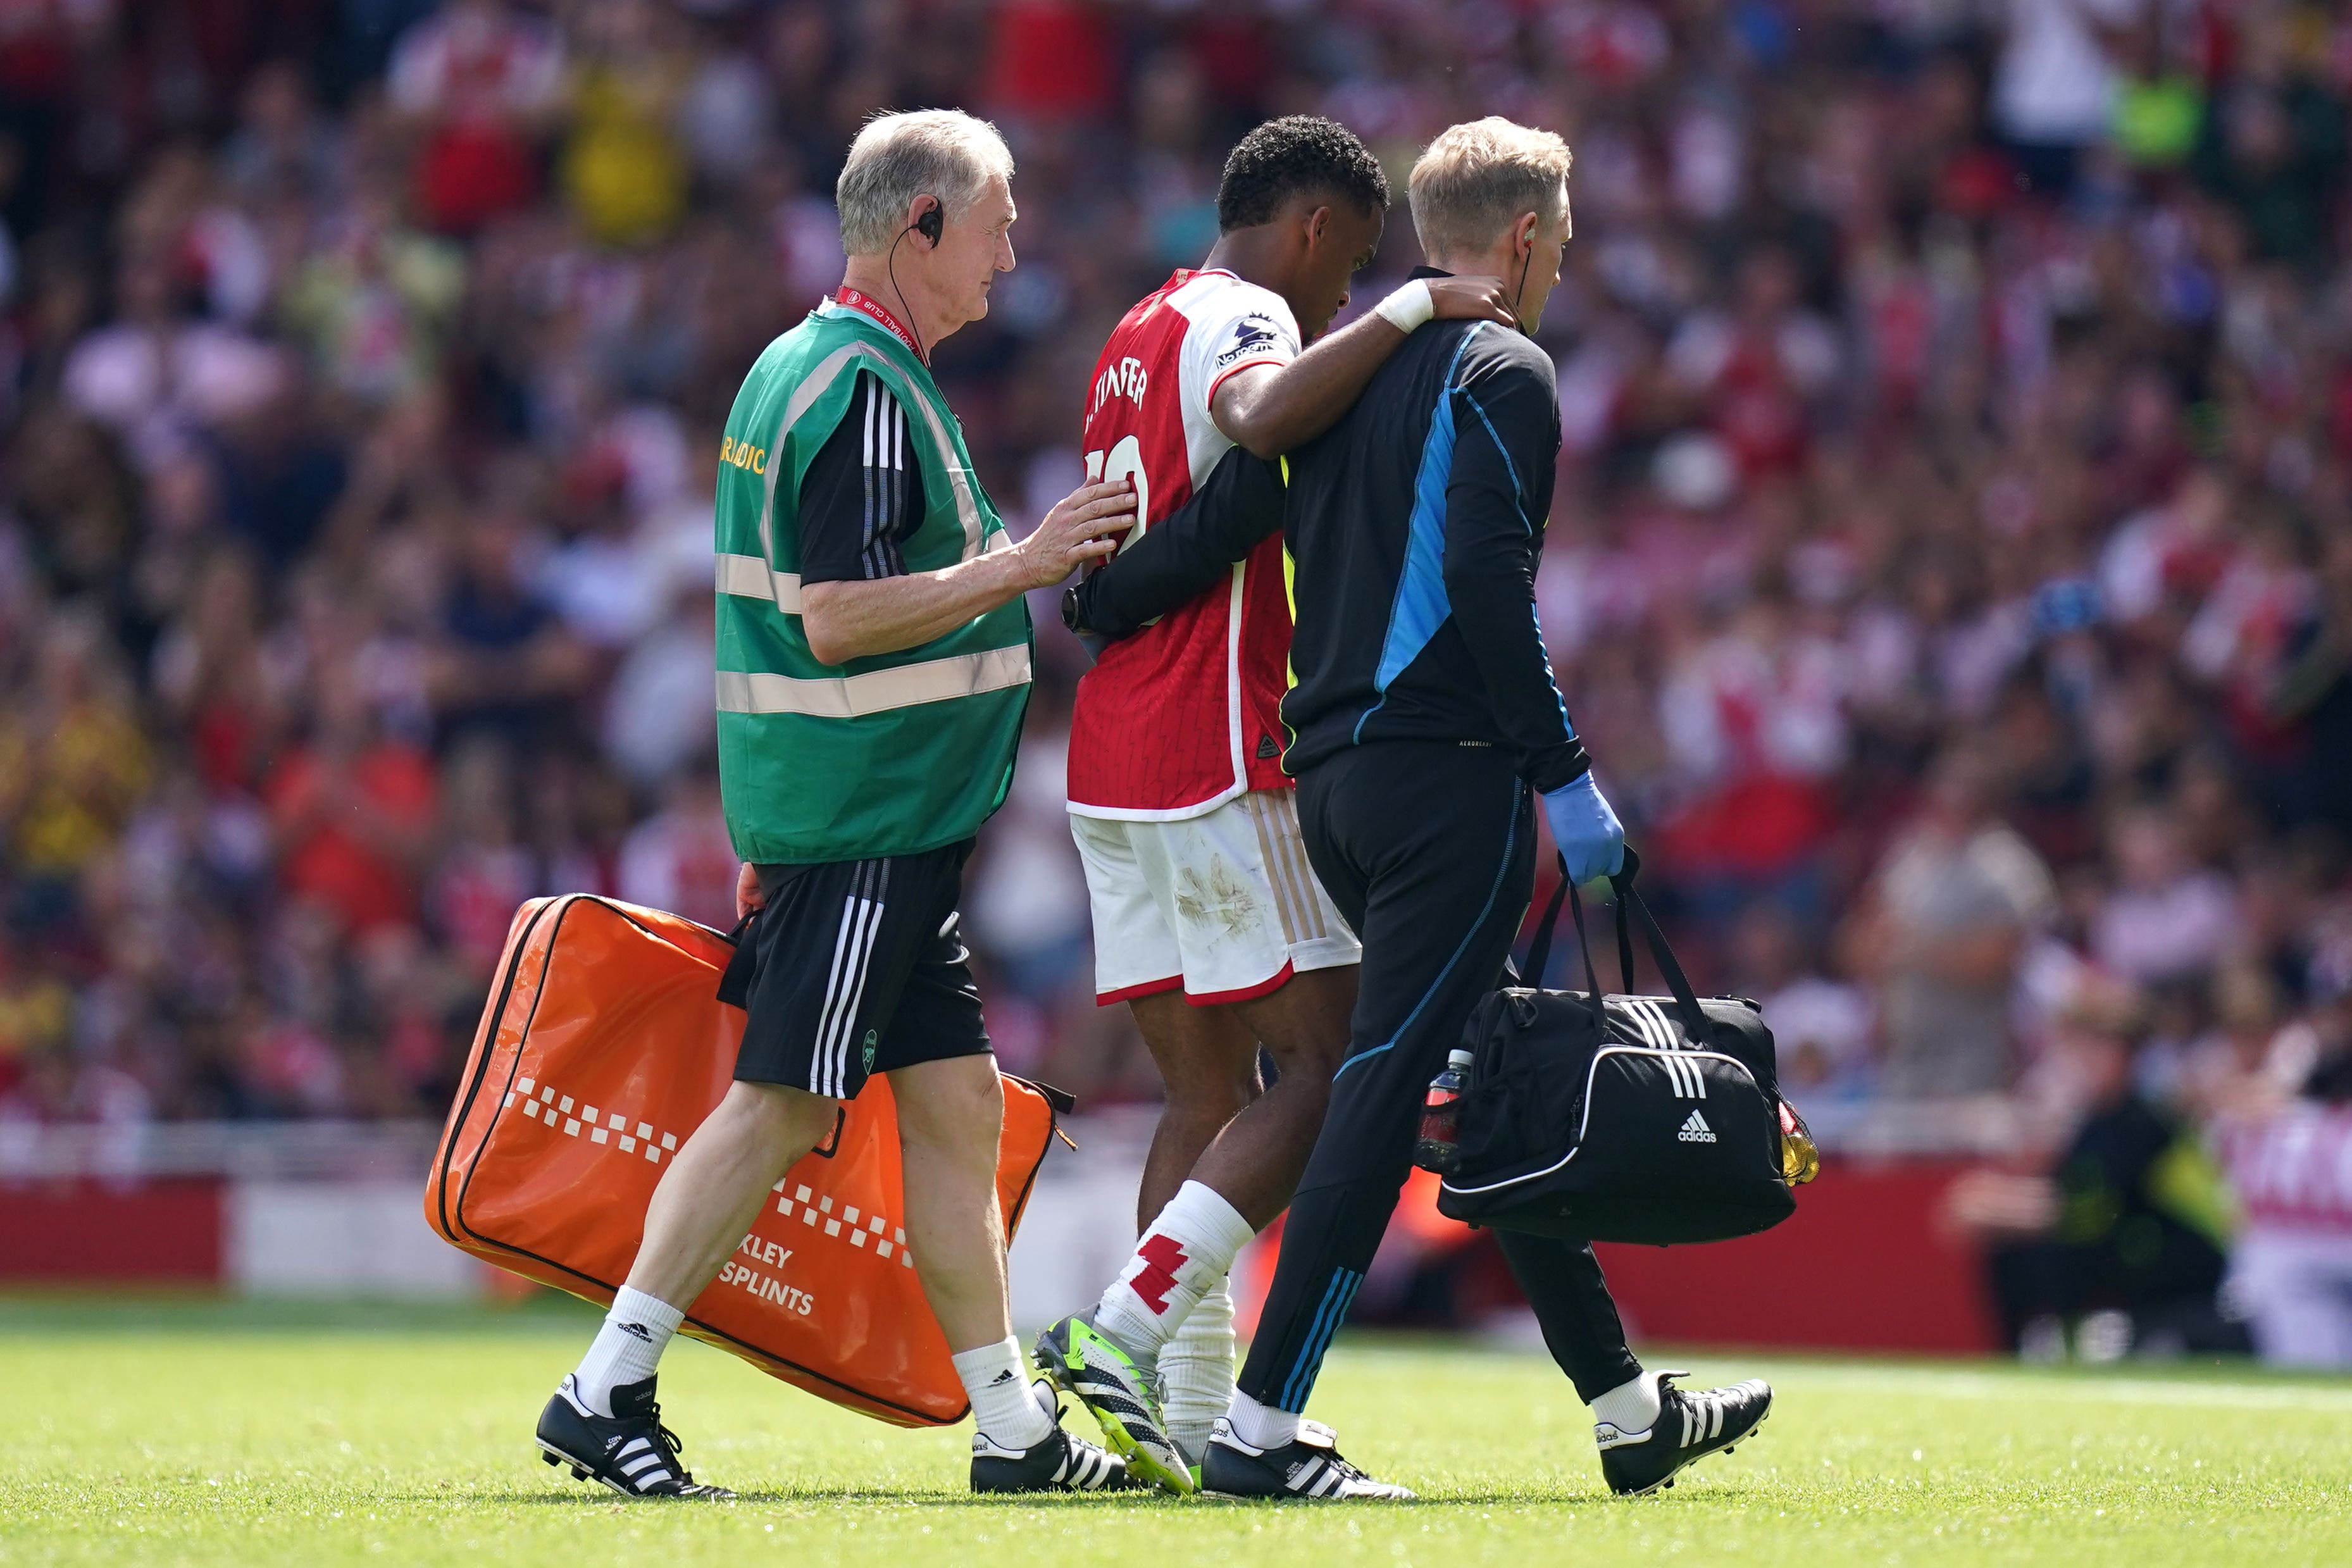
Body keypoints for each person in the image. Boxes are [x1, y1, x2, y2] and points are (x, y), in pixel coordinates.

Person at [1074, 118, 1772, 1501]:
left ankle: (1623, 1404)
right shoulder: (1503, 366)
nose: (1560, 273)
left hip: (1323, 781)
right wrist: (1565, 777)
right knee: (1376, 1095)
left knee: (1476, 1065)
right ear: (1521, 240)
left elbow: (1218, 532)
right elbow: (1488, 582)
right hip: (1440, 781)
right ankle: (1235, 1413)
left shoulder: (1341, 380)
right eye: (1560, 248)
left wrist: (1093, 590)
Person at [532, 109, 1139, 1500]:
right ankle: (603, 1384)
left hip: (865, 820)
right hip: (865, 813)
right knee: (780, 1106)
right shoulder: (865, 387)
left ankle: (1011, 1433)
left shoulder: (802, 368)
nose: (1008, 249)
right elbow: (835, 619)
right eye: (990, 220)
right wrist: (1024, 563)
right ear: (916, 224)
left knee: (955, 1113)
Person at [1032, 115, 1514, 1493]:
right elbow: (1257, 422)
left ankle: (1179, 1420)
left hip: (1112, 750)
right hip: (1219, 737)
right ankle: (1125, 1335)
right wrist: (1417, 307)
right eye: (1351, 265)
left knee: (1202, 1091)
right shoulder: (1246, 315)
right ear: (1309, 229)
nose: (1343, 301)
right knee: (1336, 1064)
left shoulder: (1133, 327)